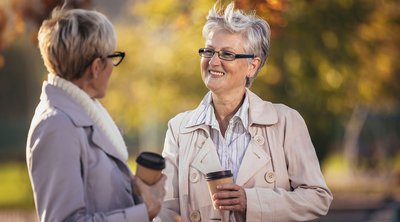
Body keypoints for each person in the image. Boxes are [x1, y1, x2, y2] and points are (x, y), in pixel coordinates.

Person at [156, 2, 332, 222]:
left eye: (227, 54)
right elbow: (165, 208)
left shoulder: (285, 122)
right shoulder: (179, 128)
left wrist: (252, 202)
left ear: (252, 66)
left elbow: (317, 197)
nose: (213, 61)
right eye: (208, 51)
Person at [26, 6, 165, 222]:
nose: (113, 66)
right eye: (113, 57)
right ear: (97, 66)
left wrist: (141, 193)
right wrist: (143, 213)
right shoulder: (56, 126)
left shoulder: (85, 114)